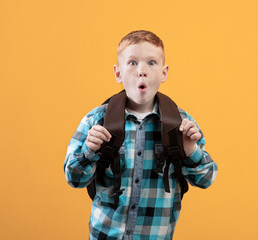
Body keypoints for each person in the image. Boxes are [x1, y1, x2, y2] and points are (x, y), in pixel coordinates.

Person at [64, 30, 218, 240]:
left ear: (164, 73)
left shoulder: (181, 124)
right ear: (118, 73)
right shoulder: (97, 120)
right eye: (132, 63)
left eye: (151, 63)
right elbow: (73, 179)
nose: (141, 71)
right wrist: (89, 151)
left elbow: (207, 179)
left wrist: (190, 150)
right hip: (105, 235)